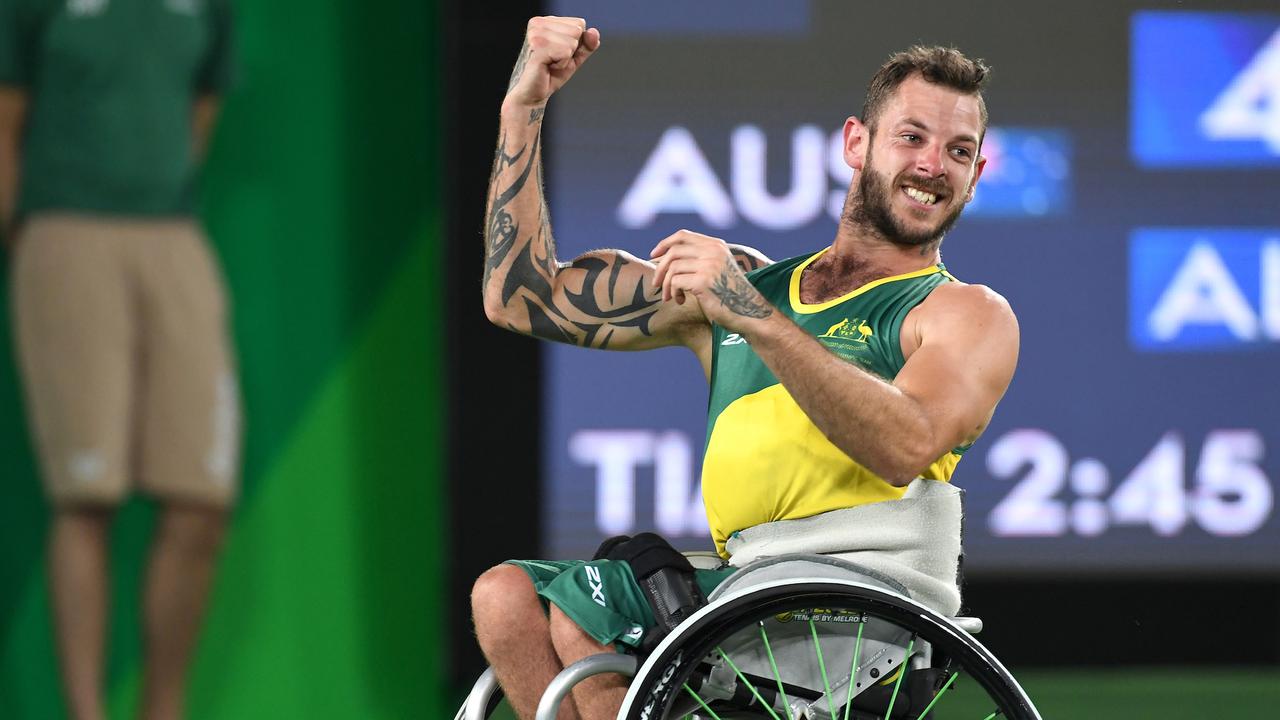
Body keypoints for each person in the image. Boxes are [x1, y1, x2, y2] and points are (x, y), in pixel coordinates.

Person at [472, 16, 1019, 720]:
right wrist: (523, 108)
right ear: (858, 144)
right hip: (745, 591)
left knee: (588, 619)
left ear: (974, 179)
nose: (932, 165)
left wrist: (750, 314)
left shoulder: (964, 313)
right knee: (505, 598)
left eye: (959, 151)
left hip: (857, 619)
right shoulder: (748, 288)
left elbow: (904, 445)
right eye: (912, 136)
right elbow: (519, 301)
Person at [0, 2, 238, 719]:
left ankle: (162, 710)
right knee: (87, 495)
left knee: (201, 501)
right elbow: (6, 118)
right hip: (63, 230)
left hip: (172, 231)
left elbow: (204, 100)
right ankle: (86, 713)